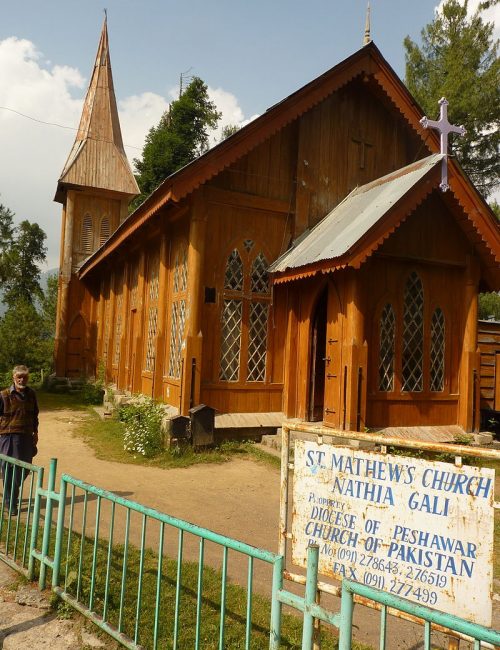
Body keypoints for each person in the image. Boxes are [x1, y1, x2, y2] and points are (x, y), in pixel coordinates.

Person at [0, 365, 39, 516]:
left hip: (26, 436)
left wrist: (36, 432)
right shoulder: (3, 395)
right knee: (9, 470)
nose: (22, 380)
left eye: (25, 377)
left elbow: (35, 414)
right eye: (19, 377)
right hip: (8, 437)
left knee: (25, 468)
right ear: (13, 378)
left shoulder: (31, 394)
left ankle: (10, 497)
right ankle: (11, 503)